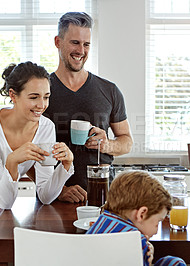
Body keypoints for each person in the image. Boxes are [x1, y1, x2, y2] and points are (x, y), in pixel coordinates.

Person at [0, 61, 74, 265]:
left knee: (12, 258)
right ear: (13, 95)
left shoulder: (46, 128)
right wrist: (12, 161)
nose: (42, 105)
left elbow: (44, 196)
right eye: (34, 97)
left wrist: (66, 166)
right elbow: (5, 200)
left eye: (46, 97)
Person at [43, 11, 133, 204]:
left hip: (102, 196)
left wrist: (107, 144)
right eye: (75, 42)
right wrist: (59, 190)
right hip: (54, 200)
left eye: (86, 44)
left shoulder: (109, 90)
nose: (81, 51)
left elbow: (126, 141)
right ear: (58, 42)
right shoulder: (41, 91)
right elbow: (27, 152)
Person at [87, 171, 186, 266]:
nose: (156, 231)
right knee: (175, 262)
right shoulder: (136, 241)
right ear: (141, 214)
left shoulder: (101, 221)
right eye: (157, 222)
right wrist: (145, 256)